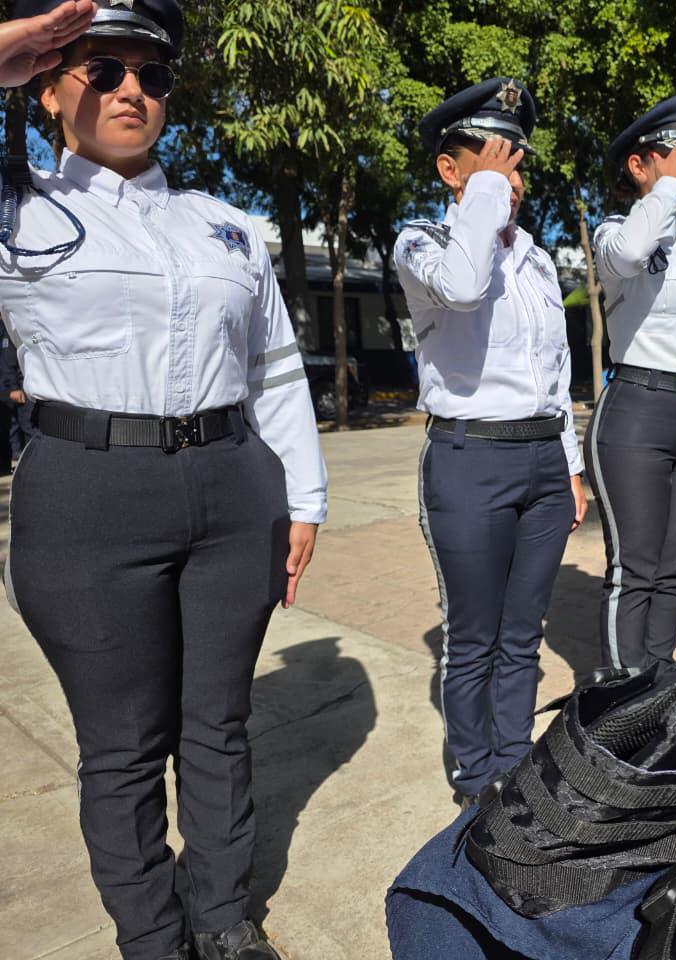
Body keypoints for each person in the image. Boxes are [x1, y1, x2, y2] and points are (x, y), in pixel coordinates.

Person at [0, 3, 328, 959]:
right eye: (101, 70)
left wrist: (302, 496)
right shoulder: (17, 210)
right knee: (123, 746)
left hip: (233, 492)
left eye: (151, 72)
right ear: (52, 84)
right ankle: (151, 937)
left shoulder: (222, 226)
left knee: (219, 726)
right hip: (87, 494)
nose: (131, 89)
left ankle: (224, 920)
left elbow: (273, 366)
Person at [394, 78, 588, 806]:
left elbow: (555, 373)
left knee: (522, 631)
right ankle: (476, 776)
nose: (513, 178)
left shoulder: (537, 260)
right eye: (495, 159)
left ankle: (514, 759)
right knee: (473, 635)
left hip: (540, 457)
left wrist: (568, 465)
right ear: (450, 170)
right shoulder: (424, 242)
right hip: (470, 458)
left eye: (519, 163)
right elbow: (466, 288)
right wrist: (482, 198)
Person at [586, 94, 676, 672]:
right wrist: (667, 187)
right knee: (635, 567)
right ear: (638, 166)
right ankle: (620, 698)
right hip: (638, 411)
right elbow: (629, 253)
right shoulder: (614, 233)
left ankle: (657, 678)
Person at [1, 321, 35, 461]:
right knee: (19, 425)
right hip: (14, 386)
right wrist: (14, 388)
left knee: (24, 424)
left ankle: (25, 457)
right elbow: (8, 363)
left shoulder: (10, 328)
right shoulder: (7, 331)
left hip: (20, 385)